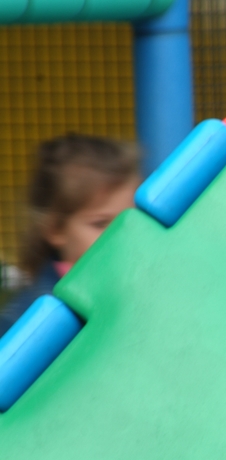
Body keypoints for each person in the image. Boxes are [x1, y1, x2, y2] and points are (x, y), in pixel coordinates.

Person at [0, 134, 140, 337]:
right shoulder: (29, 316)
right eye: (100, 223)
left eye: (127, 220)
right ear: (55, 229)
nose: (117, 234)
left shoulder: (140, 286)